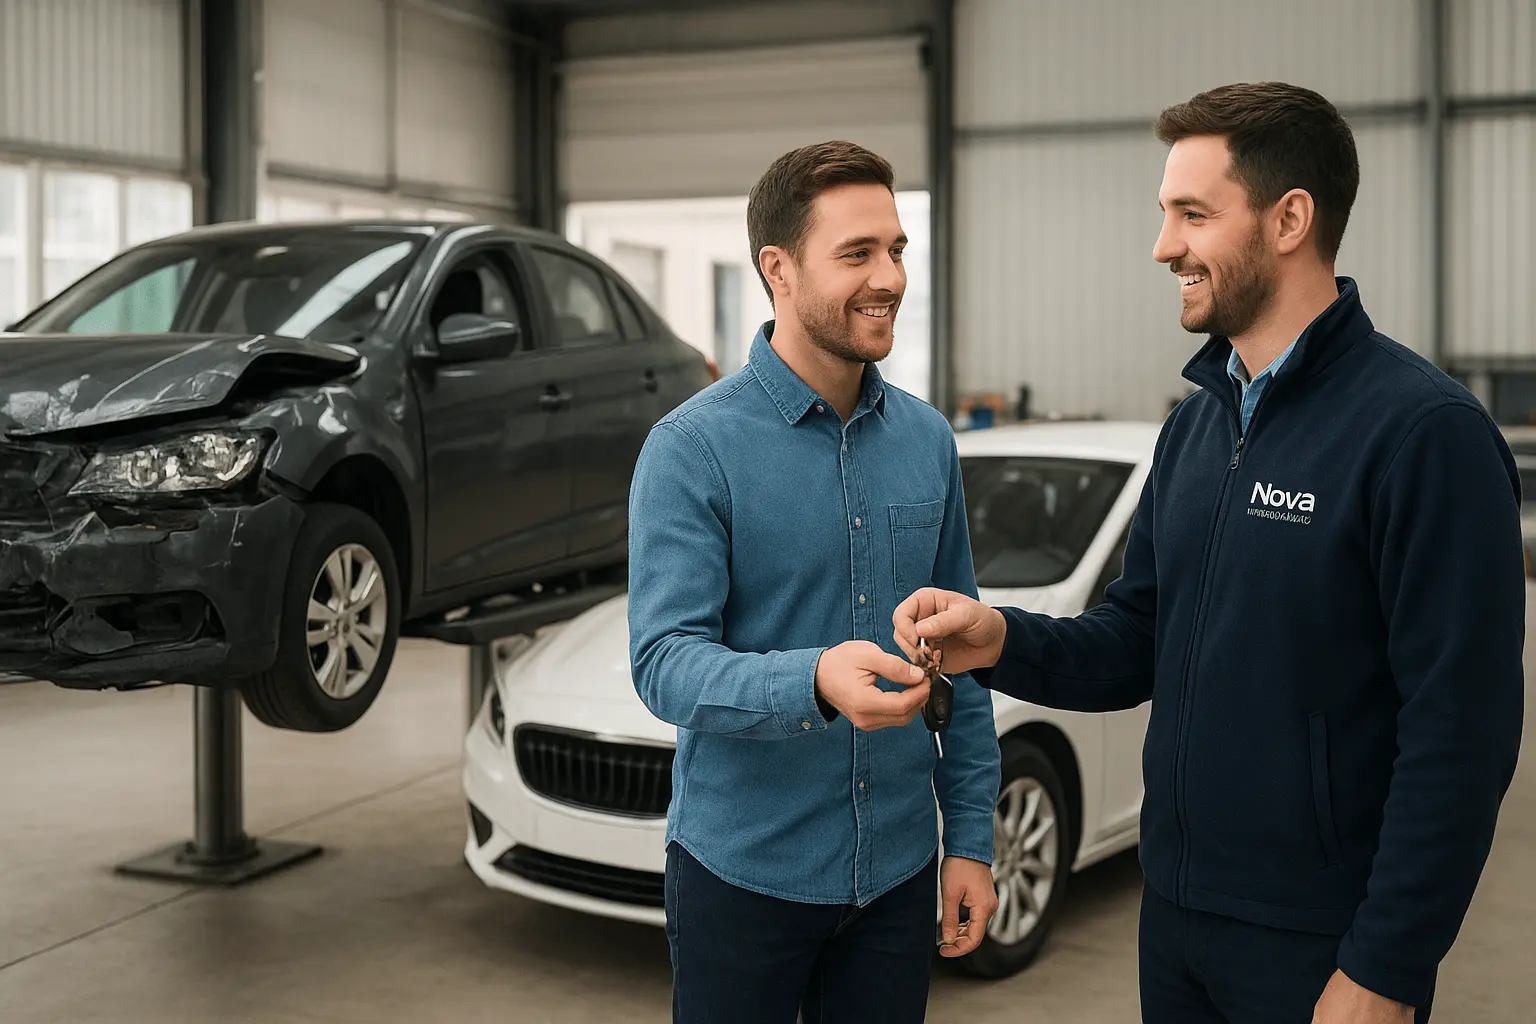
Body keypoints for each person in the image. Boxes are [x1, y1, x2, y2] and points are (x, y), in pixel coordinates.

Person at [893, 82, 1525, 1024]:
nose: (1163, 247)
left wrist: (1388, 964)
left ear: (1289, 220)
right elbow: (1137, 637)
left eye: (1193, 214)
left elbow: (1462, 731)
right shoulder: (1197, 428)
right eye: (1165, 214)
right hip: (1179, 918)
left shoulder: (1423, 434)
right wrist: (998, 638)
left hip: (1320, 939)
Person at [627, 140, 1001, 1024]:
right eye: (858, 254)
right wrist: (813, 681)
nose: (891, 277)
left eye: (898, 249)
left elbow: (966, 653)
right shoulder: (692, 449)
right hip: (743, 877)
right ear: (779, 269)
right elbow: (665, 663)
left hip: (899, 874)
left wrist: (971, 842)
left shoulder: (926, 441)